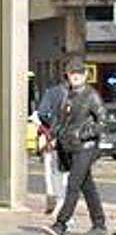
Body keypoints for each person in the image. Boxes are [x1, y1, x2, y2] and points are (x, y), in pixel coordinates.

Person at [41, 55, 107, 235]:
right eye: (72, 73)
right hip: (70, 147)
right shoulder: (67, 95)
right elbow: (61, 122)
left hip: (86, 147)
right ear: (67, 76)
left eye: (79, 73)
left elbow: (103, 122)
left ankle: (60, 224)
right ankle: (99, 224)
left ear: (85, 75)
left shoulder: (91, 95)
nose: (75, 76)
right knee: (87, 186)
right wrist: (53, 137)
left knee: (73, 185)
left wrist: (84, 134)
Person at [35, 76, 68, 216]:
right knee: (66, 172)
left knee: (52, 170)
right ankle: (62, 203)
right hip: (72, 139)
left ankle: (53, 201)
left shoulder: (52, 93)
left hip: (53, 137)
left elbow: (41, 113)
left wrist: (51, 125)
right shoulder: (82, 94)